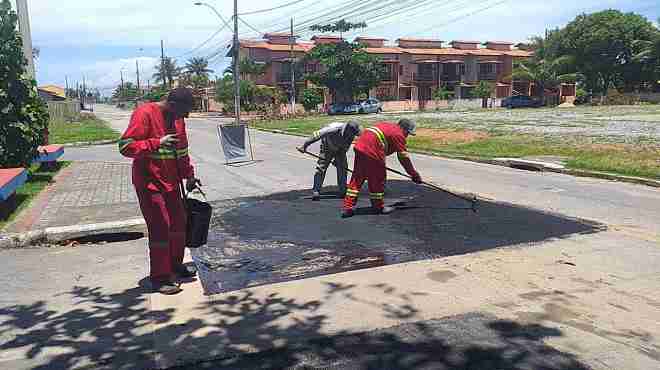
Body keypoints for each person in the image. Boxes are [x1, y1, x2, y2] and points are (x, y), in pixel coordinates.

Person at [118, 88, 201, 295]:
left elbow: (182, 152)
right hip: (149, 183)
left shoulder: (178, 119)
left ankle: (174, 265)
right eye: (185, 111)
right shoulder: (144, 113)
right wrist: (156, 143)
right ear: (172, 105)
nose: (187, 116)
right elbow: (125, 147)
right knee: (160, 227)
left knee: (179, 224)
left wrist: (189, 176)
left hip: (171, 183)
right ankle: (160, 277)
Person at [342, 119, 422, 218]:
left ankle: (348, 207)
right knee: (378, 178)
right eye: (408, 133)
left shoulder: (388, 126)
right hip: (372, 150)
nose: (407, 136)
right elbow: (404, 159)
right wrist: (414, 174)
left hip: (360, 146)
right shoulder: (399, 135)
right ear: (404, 129)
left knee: (358, 177)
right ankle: (378, 207)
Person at [297, 121, 361, 201]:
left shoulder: (352, 134)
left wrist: (338, 158)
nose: (353, 136)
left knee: (343, 168)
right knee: (321, 168)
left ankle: (343, 191)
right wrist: (305, 145)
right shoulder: (333, 129)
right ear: (347, 130)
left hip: (340, 149)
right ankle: (316, 191)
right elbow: (316, 135)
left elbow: (346, 145)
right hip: (327, 146)